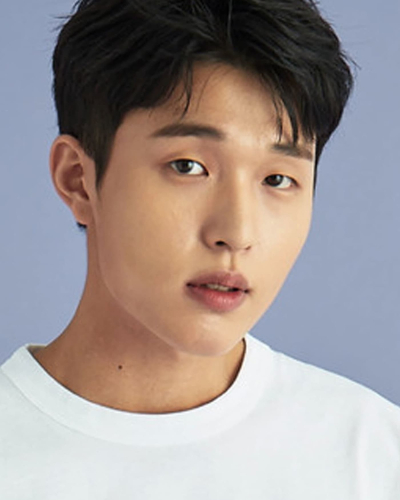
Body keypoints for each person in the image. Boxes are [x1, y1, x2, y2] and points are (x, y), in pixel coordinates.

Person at [1, 0, 399, 498]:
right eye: (188, 166)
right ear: (78, 179)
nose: (237, 231)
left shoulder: (375, 458)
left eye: (278, 179)